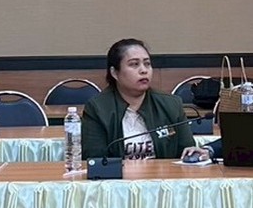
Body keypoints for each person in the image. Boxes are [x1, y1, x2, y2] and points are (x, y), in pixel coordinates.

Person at [82, 39, 210, 162]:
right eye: (134, 64)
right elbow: (95, 159)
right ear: (114, 73)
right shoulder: (98, 108)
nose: (144, 70)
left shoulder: (171, 104)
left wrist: (193, 153)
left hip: (164, 176)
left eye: (147, 64)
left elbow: (187, 152)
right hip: (117, 177)